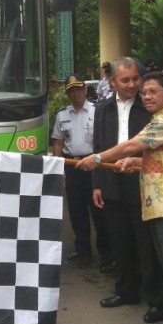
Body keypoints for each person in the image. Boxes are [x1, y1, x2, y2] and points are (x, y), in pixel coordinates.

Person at [77, 71, 163, 324]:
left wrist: (97, 158)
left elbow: (134, 143)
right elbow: (157, 153)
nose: (145, 96)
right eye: (144, 92)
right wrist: (135, 161)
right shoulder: (160, 118)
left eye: (152, 91)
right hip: (157, 204)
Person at [83, 58, 163, 319]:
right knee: (119, 239)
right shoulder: (103, 109)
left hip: (142, 177)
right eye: (125, 80)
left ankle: (156, 299)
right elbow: (97, 146)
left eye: (135, 79)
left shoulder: (149, 107)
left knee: (146, 242)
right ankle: (125, 290)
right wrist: (97, 184)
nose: (132, 85)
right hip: (111, 179)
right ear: (113, 82)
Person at [51, 74, 110, 267]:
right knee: (77, 211)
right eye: (71, 90)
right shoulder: (62, 115)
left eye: (79, 89)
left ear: (85, 90)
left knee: (99, 212)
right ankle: (82, 250)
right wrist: (58, 166)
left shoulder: (97, 111)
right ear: (68, 93)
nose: (76, 93)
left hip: (94, 166)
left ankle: (106, 255)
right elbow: (58, 143)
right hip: (73, 167)